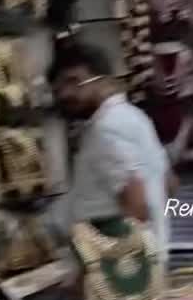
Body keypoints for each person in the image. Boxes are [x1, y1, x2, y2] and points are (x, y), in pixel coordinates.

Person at [48, 42, 173, 258]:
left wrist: (121, 262)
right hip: (145, 255)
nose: (66, 94)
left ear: (105, 81)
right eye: (59, 88)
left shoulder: (106, 128)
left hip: (123, 265)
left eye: (74, 81)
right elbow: (169, 182)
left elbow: (136, 202)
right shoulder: (135, 117)